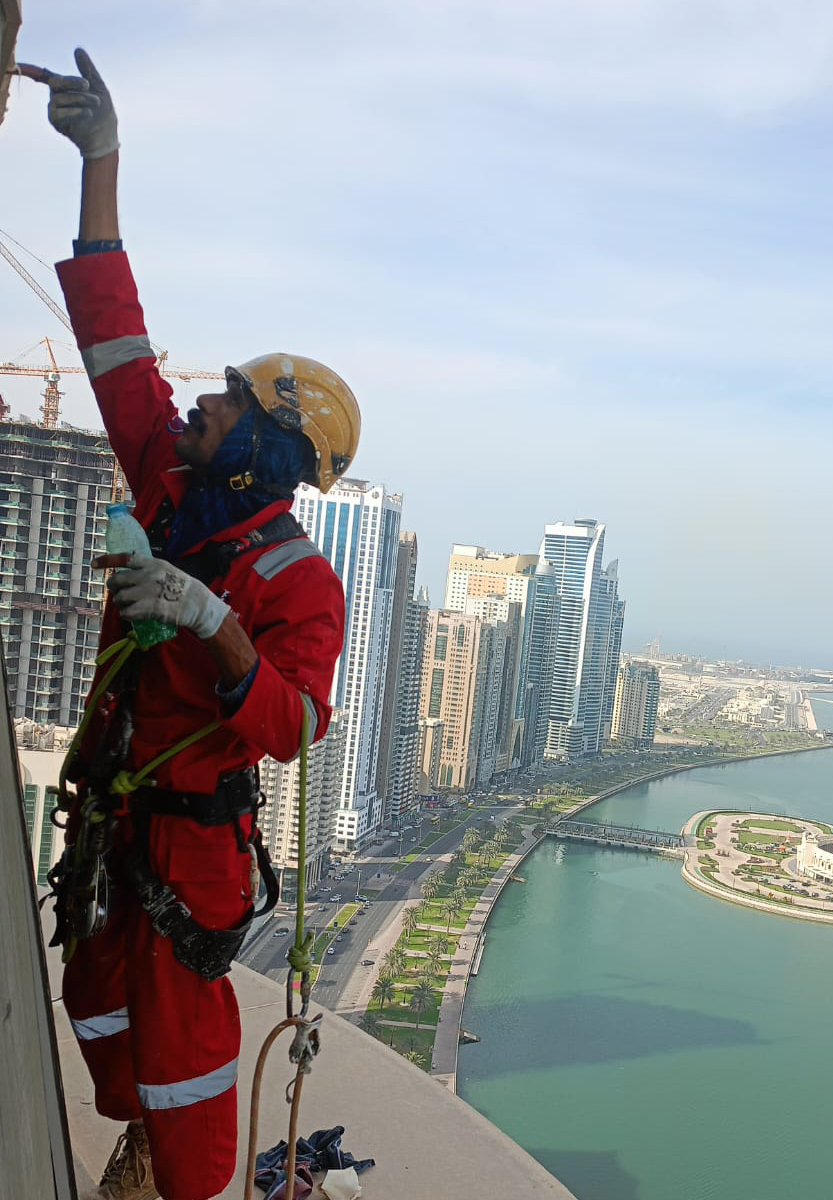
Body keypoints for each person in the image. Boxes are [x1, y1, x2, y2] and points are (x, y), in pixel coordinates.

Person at [25, 50, 360, 1200]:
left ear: (266, 447)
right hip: (120, 818)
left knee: (184, 1063)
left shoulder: (299, 583)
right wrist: (101, 166)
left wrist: (217, 626)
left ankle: (187, 1189)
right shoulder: (176, 489)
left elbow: (295, 723)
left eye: (224, 401)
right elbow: (116, 349)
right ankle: (140, 1153)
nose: (197, 405)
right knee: (99, 1007)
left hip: (189, 848)